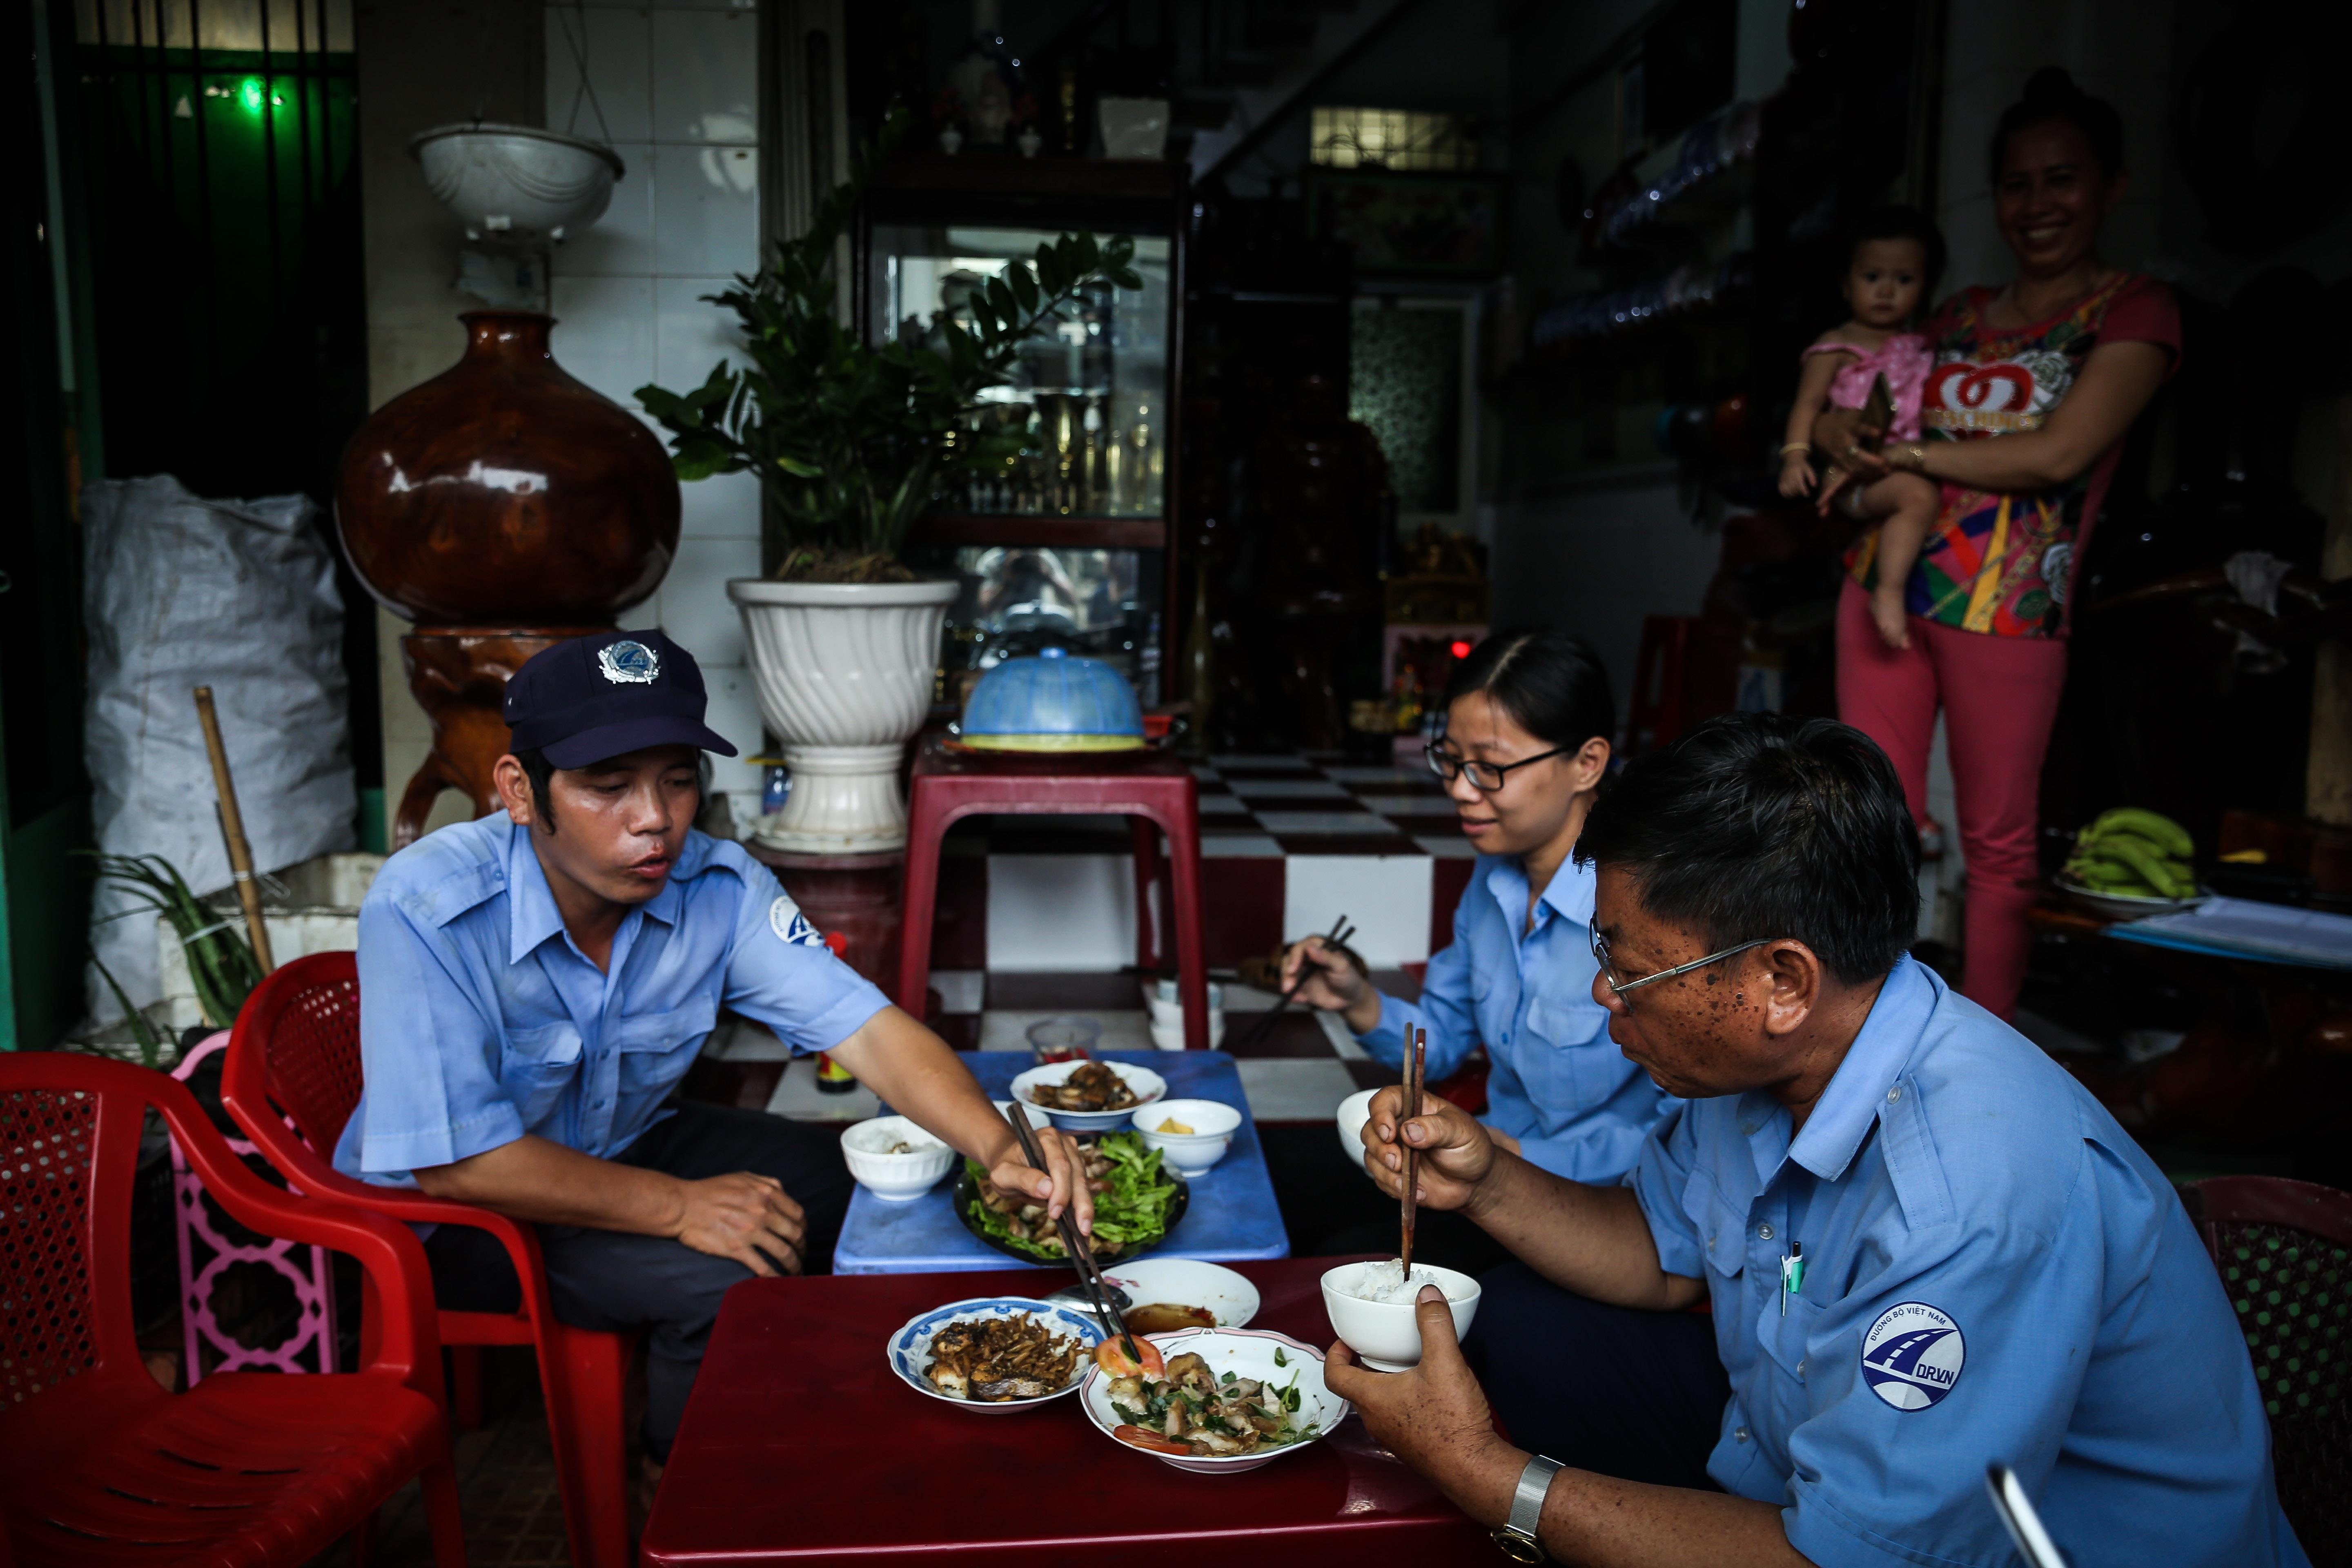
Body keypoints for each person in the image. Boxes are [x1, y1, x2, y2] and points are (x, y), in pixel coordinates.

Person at [1326, 713, 2308, 1568]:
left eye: (1628, 968)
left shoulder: (1966, 1197)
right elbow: (1661, 1256)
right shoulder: (1762, 1061)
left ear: (1782, 981)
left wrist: (1481, 1472)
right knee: (1523, 1322)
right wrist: (1488, 1181)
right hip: (1786, 1450)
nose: (1601, 992)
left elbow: (1852, 1561)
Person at [335, 629, 1092, 1481]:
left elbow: (869, 1030)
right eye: (608, 786)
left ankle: (843, 1417)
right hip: (451, 1219)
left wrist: (997, 1145)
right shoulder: (427, 905)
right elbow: (461, 1162)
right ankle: (680, 1488)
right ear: (520, 791)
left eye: (678, 779)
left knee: (852, 1179)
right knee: (720, 1277)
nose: (654, 818)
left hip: (615, 1144)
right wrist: (680, 1207)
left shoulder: (717, 887)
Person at [1815, 68, 2179, 1021]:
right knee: (1875, 827)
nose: (2037, 204)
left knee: (1999, 846)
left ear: (2111, 187)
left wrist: (1908, 455)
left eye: (2061, 180)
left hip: (2011, 607)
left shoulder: (2134, 311)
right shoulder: (1952, 318)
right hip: (1883, 589)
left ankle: (1985, 1050)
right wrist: (1828, 430)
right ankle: (1868, 1035)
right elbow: (1859, 403)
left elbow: (2058, 454)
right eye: (2016, 185)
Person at [1280, 631, 1673, 1187]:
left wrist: (1511, 1154)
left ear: (1587, 764)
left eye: (1490, 767)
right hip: (1488, 1168)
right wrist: (1357, 1000)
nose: (1461, 790)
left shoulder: (1650, 911)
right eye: (1451, 760)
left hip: (1599, 1202)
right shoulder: (1495, 876)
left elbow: (1680, 1133)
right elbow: (1441, 1041)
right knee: (1285, 1177)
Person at [1778, 207, 1946, 652]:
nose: (1887, 292)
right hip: (1852, 477)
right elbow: (1807, 406)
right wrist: (1795, 457)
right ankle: (1888, 592)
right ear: (1847, 284)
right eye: (1872, 277)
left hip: (1902, 462)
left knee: (1925, 494)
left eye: (1904, 280)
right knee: (1919, 497)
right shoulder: (1836, 346)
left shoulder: (1923, 343)